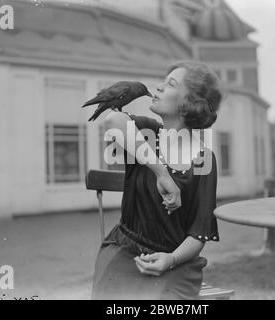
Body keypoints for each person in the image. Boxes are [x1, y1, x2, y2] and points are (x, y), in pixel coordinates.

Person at [91, 60, 222, 300]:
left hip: (175, 263)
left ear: (189, 103)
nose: (158, 87)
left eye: (170, 84)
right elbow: (111, 121)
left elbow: (199, 234)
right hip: (124, 253)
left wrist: (170, 260)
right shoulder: (145, 133)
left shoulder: (204, 158)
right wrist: (162, 173)